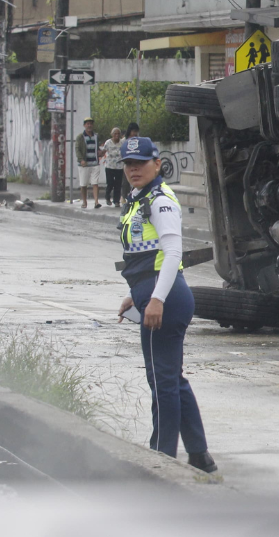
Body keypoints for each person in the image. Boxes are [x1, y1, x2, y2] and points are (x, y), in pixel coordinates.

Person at [115, 137, 217, 473]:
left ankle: (162, 459)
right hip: (156, 294)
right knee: (171, 378)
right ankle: (199, 454)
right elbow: (146, 258)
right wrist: (139, 295)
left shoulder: (159, 202)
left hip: (167, 298)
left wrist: (155, 298)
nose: (134, 170)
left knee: (162, 380)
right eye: (129, 164)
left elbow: (172, 254)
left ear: (157, 164)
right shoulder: (138, 200)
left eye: (141, 163)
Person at [75, 117, 102, 209]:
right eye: (87, 124)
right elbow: (77, 149)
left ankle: (96, 202)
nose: (89, 125)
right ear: (84, 125)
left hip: (95, 163)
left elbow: (97, 148)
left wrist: (100, 153)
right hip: (84, 164)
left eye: (91, 123)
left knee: (95, 183)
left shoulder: (96, 136)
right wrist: (81, 159)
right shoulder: (80, 137)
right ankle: (84, 202)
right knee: (83, 184)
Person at [102, 127, 125, 207]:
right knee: (110, 183)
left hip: (119, 166)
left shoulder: (122, 143)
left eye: (118, 133)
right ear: (112, 134)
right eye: (115, 133)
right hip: (109, 166)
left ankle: (116, 201)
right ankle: (107, 197)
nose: (117, 135)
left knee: (118, 184)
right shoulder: (108, 142)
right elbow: (103, 151)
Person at [121, 122, 140, 200]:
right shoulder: (123, 141)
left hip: (135, 163)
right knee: (125, 181)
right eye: (134, 131)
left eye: (136, 131)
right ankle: (124, 197)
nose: (135, 133)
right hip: (126, 163)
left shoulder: (138, 140)